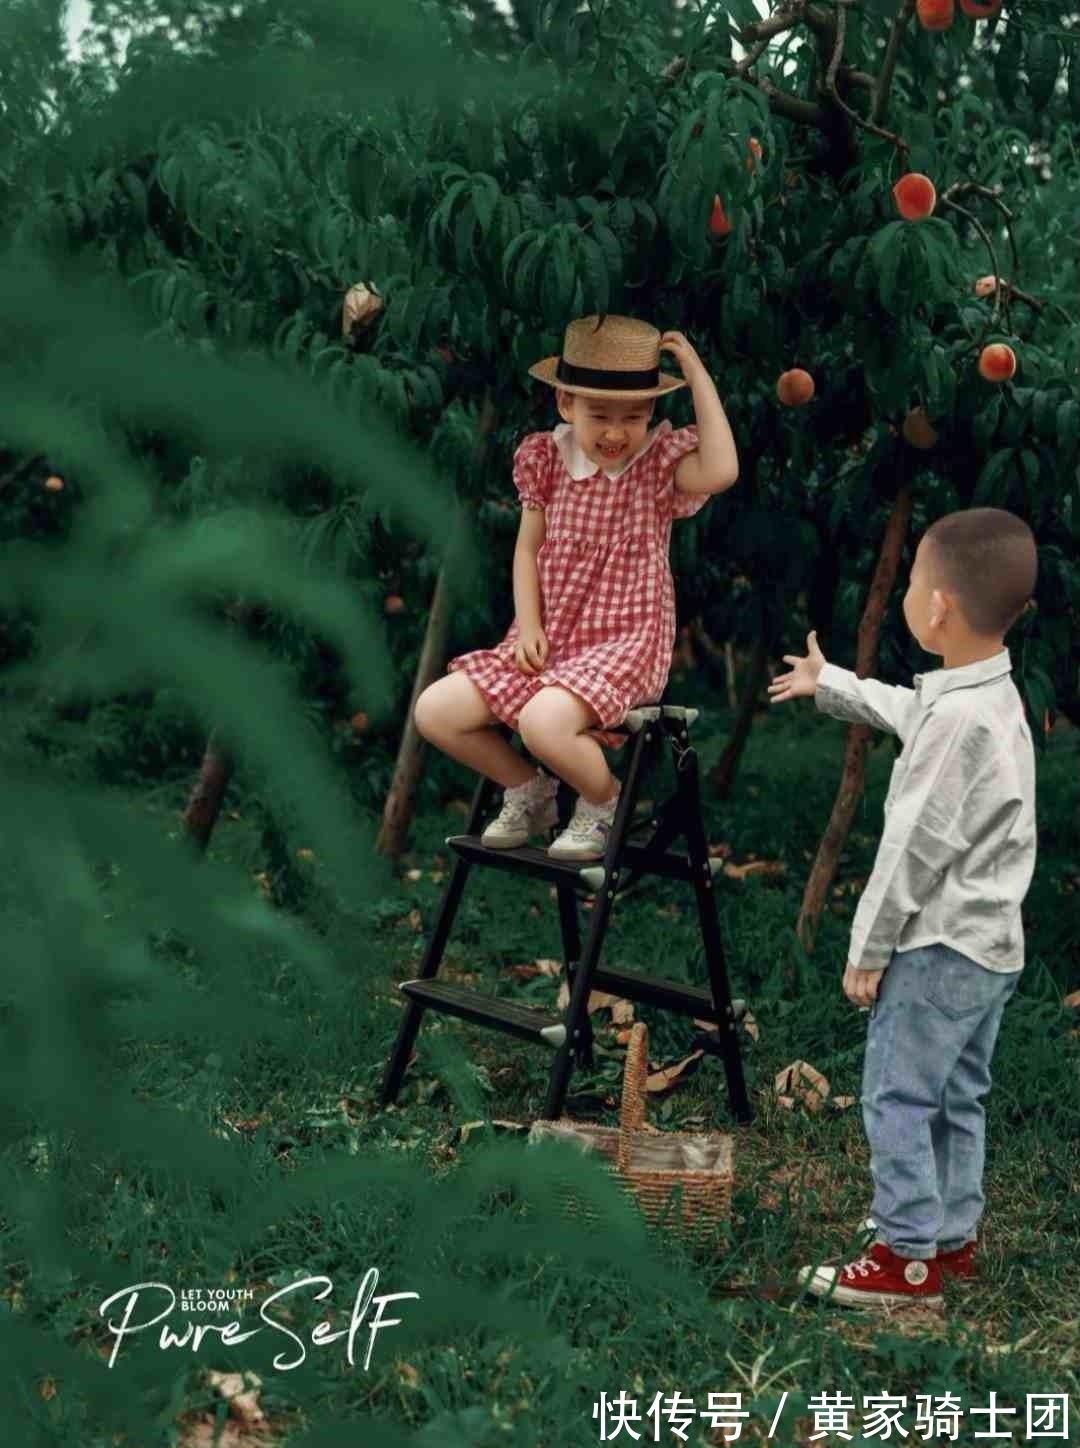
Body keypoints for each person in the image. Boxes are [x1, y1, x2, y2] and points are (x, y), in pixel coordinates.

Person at [768, 508, 1039, 1308]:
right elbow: (909, 710)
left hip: (939, 946)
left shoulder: (959, 719)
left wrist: (869, 949)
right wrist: (836, 685)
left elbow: (912, 850)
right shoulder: (986, 696)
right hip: (991, 948)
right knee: (957, 1093)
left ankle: (905, 1254)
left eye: (917, 581)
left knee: (898, 1091)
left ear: (938, 608)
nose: (913, 593)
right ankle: (952, 1238)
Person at [415, 314, 738, 861]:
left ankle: (604, 800)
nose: (616, 432)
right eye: (600, 415)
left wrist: (696, 373)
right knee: (435, 711)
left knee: (544, 722)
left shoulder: (657, 466)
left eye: (633, 417)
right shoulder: (547, 458)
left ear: (652, 413)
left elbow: (723, 469)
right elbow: (526, 550)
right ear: (566, 404)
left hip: (622, 643)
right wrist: (529, 626)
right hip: (551, 637)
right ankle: (529, 790)